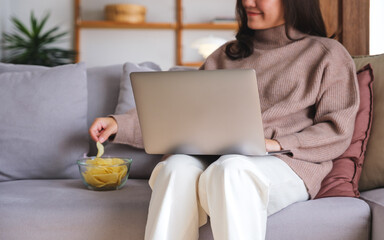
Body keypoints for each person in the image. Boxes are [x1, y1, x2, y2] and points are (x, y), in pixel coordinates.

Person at [89, 0, 359, 239]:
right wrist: (119, 124)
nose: (247, 2)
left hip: (286, 162)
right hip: (216, 159)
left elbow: (337, 129)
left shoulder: (327, 53)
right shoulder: (226, 54)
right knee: (175, 168)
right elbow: (182, 110)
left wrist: (274, 143)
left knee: (231, 170)